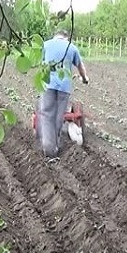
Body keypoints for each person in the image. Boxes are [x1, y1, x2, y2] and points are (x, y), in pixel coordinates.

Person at [36, 29, 89, 159]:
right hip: (64, 87)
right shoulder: (72, 47)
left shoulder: (46, 45)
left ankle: (49, 149)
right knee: (59, 117)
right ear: (66, 37)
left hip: (47, 85)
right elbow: (80, 66)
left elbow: (40, 63)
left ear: (55, 36)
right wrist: (84, 78)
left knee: (47, 115)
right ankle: (55, 147)